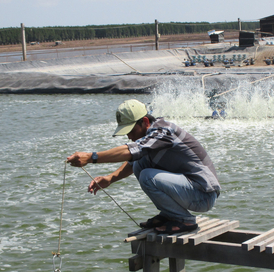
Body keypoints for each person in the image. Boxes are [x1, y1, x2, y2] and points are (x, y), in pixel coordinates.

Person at [66, 99, 220, 234]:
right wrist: (110, 178)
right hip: (190, 190)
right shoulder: (151, 137)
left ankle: (184, 220)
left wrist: (91, 157)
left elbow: (131, 150)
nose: (129, 136)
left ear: (145, 122)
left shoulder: (162, 132)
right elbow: (134, 159)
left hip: (203, 195)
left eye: (132, 131)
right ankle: (169, 214)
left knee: (147, 176)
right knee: (140, 164)